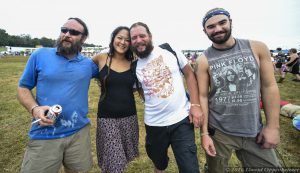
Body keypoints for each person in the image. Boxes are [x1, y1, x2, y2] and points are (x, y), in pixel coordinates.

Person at [196, 8, 281, 173]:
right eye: (211, 26)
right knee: (216, 170)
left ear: (230, 22)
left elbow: (269, 86)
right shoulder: (203, 60)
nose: (218, 29)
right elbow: (203, 97)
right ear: (205, 31)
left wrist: (273, 127)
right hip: (219, 131)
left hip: (253, 129)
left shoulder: (257, 48)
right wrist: (204, 133)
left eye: (222, 23)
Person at [17, 17, 99, 173]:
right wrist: (35, 109)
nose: (67, 34)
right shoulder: (40, 55)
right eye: (64, 30)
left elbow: (111, 71)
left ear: (83, 38)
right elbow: (23, 88)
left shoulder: (88, 65)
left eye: (74, 32)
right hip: (45, 133)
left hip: (78, 133)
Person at [130, 22, 203, 173]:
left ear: (150, 36)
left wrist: (195, 105)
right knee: (159, 163)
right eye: (134, 38)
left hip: (181, 120)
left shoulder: (169, 50)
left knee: (189, 167)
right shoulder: (134, 66)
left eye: (142, 36)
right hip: (154, 124)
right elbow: (139, 90)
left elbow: (189, 74)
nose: (138, 40)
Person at [92, 26, 139, 173]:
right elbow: (81, 70)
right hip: (107, 118)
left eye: (127, 39)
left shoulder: (135, 61)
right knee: (114, 163)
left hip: (129, 117)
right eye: (119, 37)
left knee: (122, 158)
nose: (123, 42)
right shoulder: (101, 58)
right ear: (113, 39)